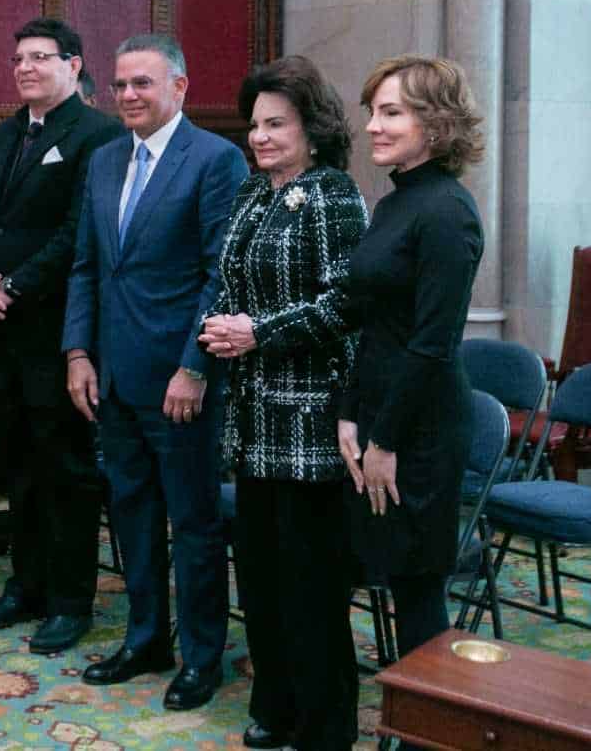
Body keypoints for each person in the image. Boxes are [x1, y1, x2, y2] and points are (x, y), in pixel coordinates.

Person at [63, 34, 248, 710]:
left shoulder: (216, 160)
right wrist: (78, 353)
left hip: (181, 386)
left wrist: (194, 367)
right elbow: (86, 265)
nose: (129, 96)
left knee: (194, 525)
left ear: (180, 87)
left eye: (143, 83)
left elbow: (220, 275)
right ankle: (146, 638)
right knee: (133, 518)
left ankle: (202, 657)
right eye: (120, 86)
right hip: (113, 381)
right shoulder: (105, 160)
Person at [199, 55, 368, 751]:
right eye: (255, 124)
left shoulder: (332, 195)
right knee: (262, 582)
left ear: (313, 128)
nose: (260, 137)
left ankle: (326, 725)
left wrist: (255, 333)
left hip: (309, 420)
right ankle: (276, 705)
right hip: (251, 417)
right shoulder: (251, 193)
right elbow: (227, 277)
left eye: (277, 125)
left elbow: (344, 305)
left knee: (310, 585)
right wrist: (222, 325)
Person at [0, 18, 122, 654]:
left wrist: (13, 285)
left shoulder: (99, 135)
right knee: (16, 463)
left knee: (66, 467)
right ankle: (24, 585)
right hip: (1, 333)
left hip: (60, 332)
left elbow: (80, 233)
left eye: (40, 57)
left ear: (75, 66)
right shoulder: (1, 138)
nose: (25, 67)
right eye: (18, 57)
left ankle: (70, 600)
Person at [337, 54, 485, 731]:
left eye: (391, 111)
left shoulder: (449, 212)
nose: (373, 126)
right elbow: (367, 322)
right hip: (376, 421)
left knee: (418, 589)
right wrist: (348, 415)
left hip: (418, 433)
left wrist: (386, 440)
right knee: (386, 577)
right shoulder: (397, 200)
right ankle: (412, 725)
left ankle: (437, 735)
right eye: (372, 111)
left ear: (438, 121)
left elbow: (432, 344)